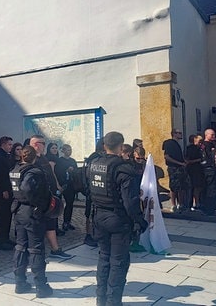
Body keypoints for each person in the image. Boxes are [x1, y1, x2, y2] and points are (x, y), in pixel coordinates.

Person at [88, 131, 147, 306]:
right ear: (121, 147)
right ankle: (113, 302)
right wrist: (139, 221)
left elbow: (88, 190)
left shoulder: (93, 164)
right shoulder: (123, 168)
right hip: (117, 219)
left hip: (98, 216)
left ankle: (101, 299)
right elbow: (130, 201)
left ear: (105, 145)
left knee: (104, 258)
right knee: (118, 262)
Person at [10, 145, 54, 298]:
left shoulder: (15, 169)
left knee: (21, 246)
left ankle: (20, 282)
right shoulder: (34, 171)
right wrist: (39, 204)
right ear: (35, 157)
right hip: (31, 212)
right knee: (35, 249)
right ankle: (41, 286)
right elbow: (27, 188)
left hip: (19, 211)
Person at [29, 135, 72, 259]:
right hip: (40, 198)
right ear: (36, 144)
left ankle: (55, 249)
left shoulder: (42, 158)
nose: (44, 145)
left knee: (51, 222)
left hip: (50, 196)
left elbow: (50, 174)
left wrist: (56, 187)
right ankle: (36, 253)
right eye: (43, 143)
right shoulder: (31, 159)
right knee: (38, 226)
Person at [0, 136, 15, 250]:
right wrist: (4, 190)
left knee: (7, 215)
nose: (11, 147)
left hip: (8, 188)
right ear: (3, 144)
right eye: (9, 145)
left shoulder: (5, 156)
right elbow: (0, 175)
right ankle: (0, 241)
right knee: (2, 215)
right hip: (1, 190)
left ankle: (5, 238)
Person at [162, 129, 188, 212]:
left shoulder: (177, 144)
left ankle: (181, 204)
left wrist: (183, 161)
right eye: (179, 133)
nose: (181, 134)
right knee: (174, 186)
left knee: (182, 186)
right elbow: (167, 156)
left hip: (180, 167)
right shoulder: (169, 143)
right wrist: (179, 163)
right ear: (174, 134)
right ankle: (173, 205)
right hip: (174, 168)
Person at [58, 144, 78, 232]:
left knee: (70, 203)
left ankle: (67, 222)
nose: (69, 152)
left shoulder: (73, 161)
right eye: (67, 150)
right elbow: (58, 172)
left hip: (71, 185)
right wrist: (66, 170)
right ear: (63, 151)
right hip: (62, 184)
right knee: (58, 204)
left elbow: (76, 171)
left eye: (70, 150)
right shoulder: (60, 161)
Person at [184, 134, 205, 211]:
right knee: (196, 186)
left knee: (196, 186)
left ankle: (195, 202)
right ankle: (196, 203)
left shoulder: (192, 148)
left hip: (195, 169)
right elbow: (189, 160)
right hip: (195, 169)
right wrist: (199, 160)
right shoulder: (192, 149)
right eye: (199, 141)